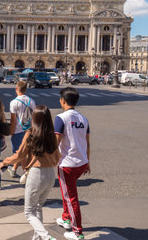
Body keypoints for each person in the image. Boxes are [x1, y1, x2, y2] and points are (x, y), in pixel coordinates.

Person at [0, 105, 60, 240]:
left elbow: (19, 155)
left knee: (28, 212)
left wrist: (4, 162)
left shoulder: (31, 133)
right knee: (38, 207)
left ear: (35, 118)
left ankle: (46, 237)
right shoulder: (52, 135)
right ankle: (37, 237)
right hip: (50, 174)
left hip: (37, 174)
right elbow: (57, 158)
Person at [54, 87, 90, 240]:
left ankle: (77, 232)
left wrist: (50, 160)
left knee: (71, 197)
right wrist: (88, 162)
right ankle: (66, 218)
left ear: (63, 101)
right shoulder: (83, 118)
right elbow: (87, 143)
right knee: (67, 192)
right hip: (81, 162)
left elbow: (56, 142)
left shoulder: (61, 118)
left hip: (67, 163)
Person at [8, 81, 36, 177]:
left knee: (20, 153)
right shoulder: (31, 101)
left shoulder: (14, 102)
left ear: (16, 89)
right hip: (29, 130)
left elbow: (13, 120)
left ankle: (26, 173)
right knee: (26, 151)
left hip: (18, 131)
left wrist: (11, 132)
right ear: (26, 90)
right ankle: (14, 169)